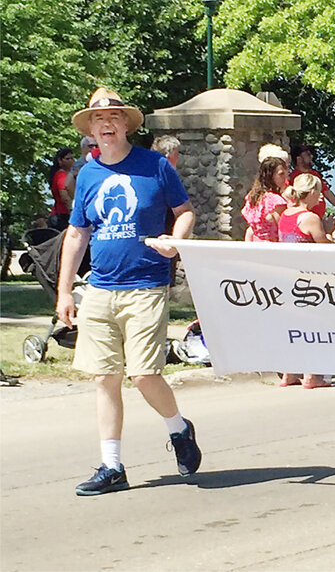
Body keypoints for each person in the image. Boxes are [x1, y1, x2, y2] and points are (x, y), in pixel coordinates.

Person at [57, 88, 201, 496]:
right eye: (97, 121)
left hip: (146, 284)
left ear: (125, 125)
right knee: (105, 377)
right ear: (91, 131)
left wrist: (176, 241)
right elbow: (78, 231)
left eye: (113, 118)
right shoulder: (88, 175)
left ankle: (179, 429)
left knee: (143, 374)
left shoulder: (154, 165)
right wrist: (65, 292)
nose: (105, 125)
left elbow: (185, 210)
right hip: (101, 286)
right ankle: (112, 465)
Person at [278, 173, 333, 389]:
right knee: (312, 323)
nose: (321, 197)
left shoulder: (286, 215)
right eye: (319, 192)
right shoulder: (309, 218)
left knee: (293, 324)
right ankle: (311, 375)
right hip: (308, 277)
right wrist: (328, 230)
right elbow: (322, 244)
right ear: (311, 193)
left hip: (287, 275)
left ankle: (289, 373)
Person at [242, 155, 289, 242]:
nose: (285, 177)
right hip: (272, 247)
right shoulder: (275, 200)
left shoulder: (252, 196)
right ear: (270, 175)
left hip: (255, 244)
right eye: (281, 174)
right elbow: (283, 231)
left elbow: (250, 229)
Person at [290, 143, 335, 218]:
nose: (311, 156)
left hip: (320, 218)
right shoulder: (293, 178)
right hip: (306, 218)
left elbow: (327, 192)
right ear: (299, 159)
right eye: (307, 154)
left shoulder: (314, 174)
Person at [48, 146, 75, 231]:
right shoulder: (61, 176)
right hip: (62, 216)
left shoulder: (67, 175)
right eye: (67, 159)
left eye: (72, 158)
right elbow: (64, 196)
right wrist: (72, 212)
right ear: (60, 161)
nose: (71, 161)